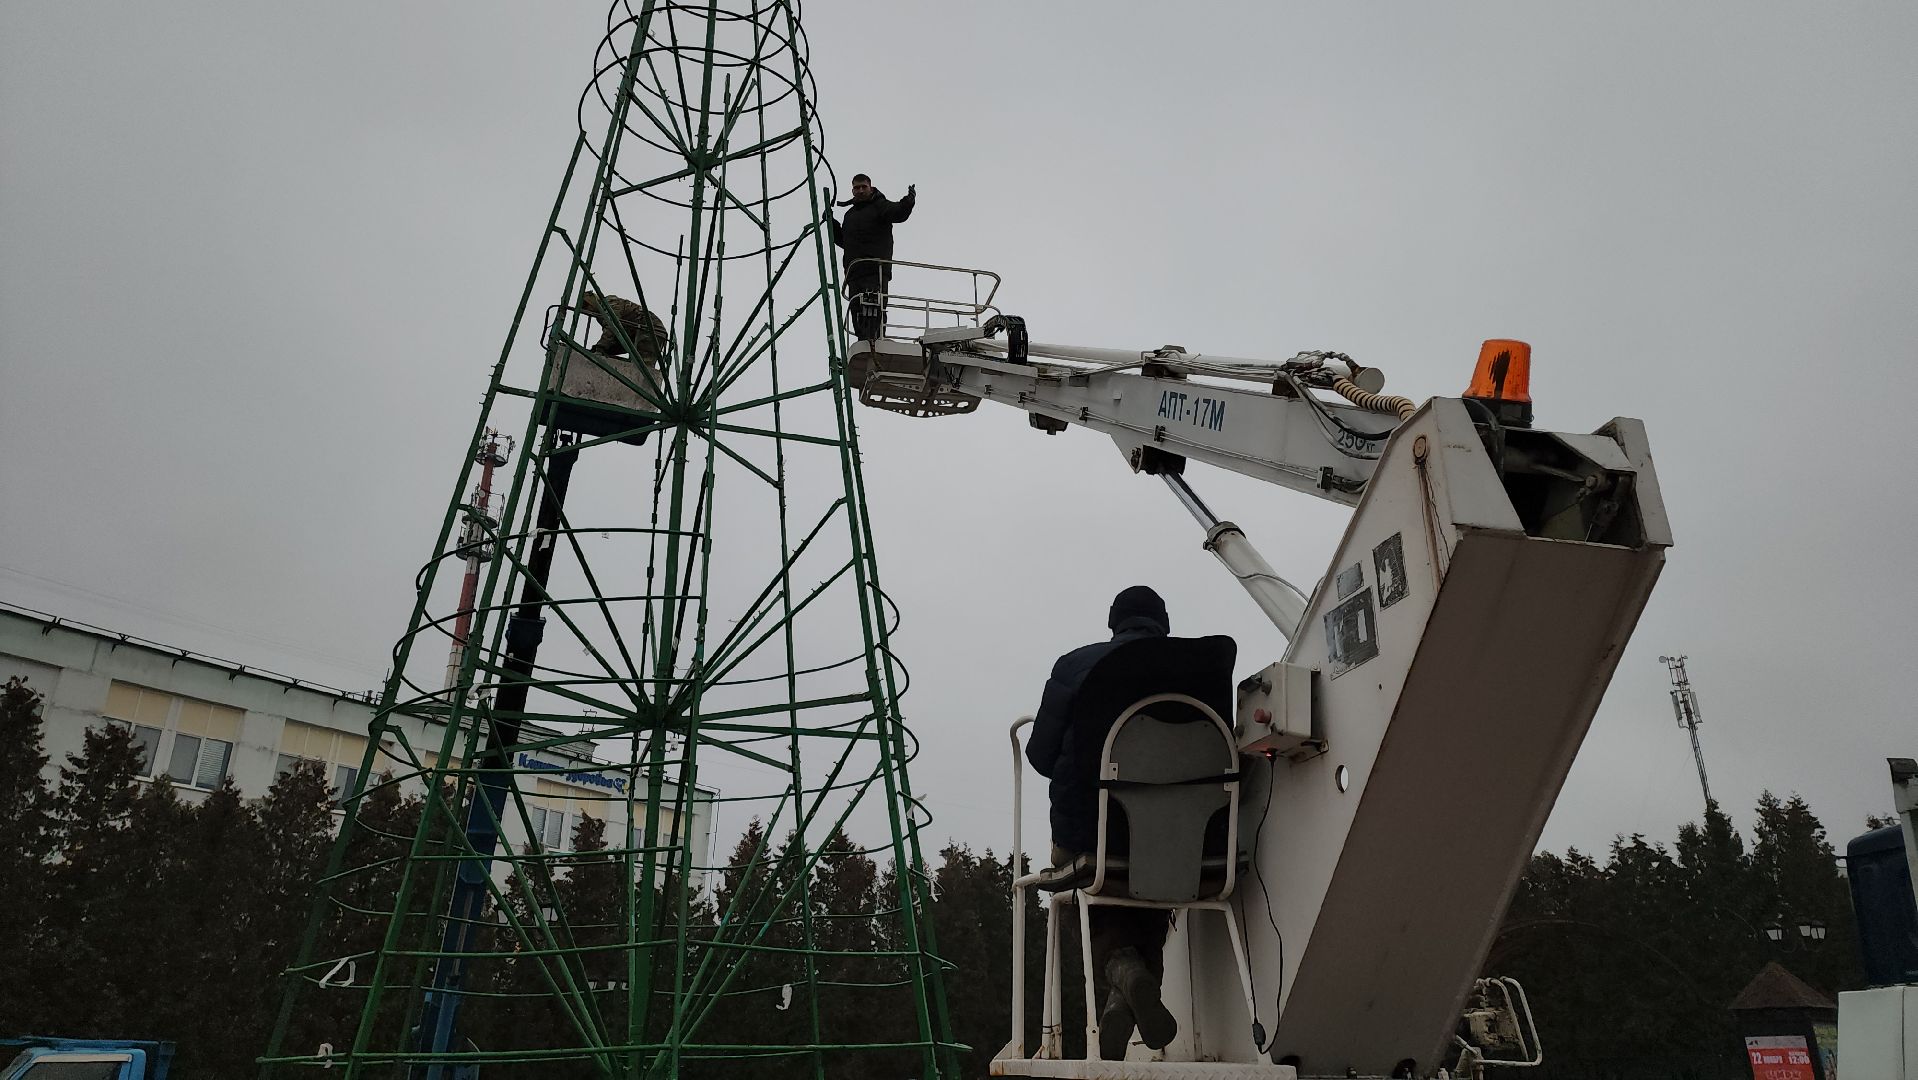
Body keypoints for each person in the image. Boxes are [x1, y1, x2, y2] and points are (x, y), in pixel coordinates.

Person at [1025, 585, 1182, 1060]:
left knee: (1077, 886)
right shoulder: (1194, 668)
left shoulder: (1077, 666)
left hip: (1086, 831)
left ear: (1114, 623)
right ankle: (1128, 989)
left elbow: (1039, 754)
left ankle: (1119, 971)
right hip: (1179, 837)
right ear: (1164, 626)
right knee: (1159, 875)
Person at [827, 173, 915, 341]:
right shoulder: (850, 215)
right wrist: (831, 223)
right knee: (857, 312)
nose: (860, 191)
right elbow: (845, 241)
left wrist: (908, 202)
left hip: (875, 270)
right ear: (852, 190)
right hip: (854, 273)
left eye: (863, 187)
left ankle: (876, 343)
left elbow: (897, 213)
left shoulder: (879, 206)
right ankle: (864, 342)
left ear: (870, 187)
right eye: (856, 188)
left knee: (874, 312)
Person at [578, 290, 668, 366]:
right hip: (636, 333)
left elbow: (611, 326)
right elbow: (614, 335)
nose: (587, 309)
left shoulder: (609, 303)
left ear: (592, 300)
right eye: (584, 308)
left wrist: (601, 347)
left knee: (643, 369)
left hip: (651, 330)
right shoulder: (600, 314)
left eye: (586, 304)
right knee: (609, 350)